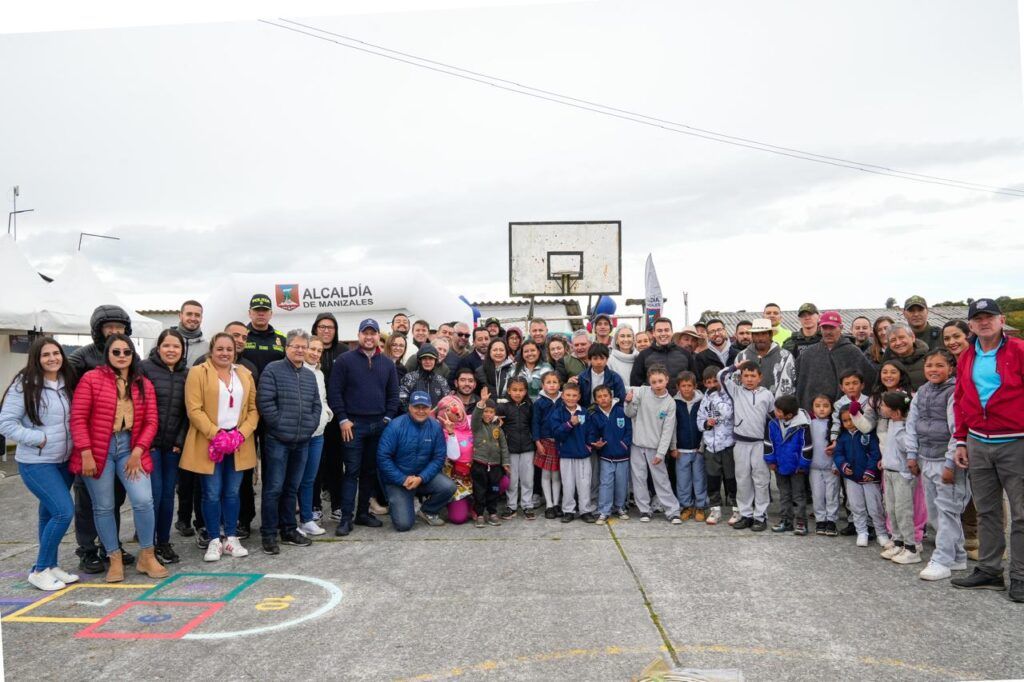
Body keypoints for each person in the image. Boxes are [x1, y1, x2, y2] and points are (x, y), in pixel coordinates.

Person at [69, 334, 167, 582]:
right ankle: (113, 558)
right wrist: (85, 452)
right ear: (108, 355)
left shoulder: (142, 383)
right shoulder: (91, 379)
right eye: (116, 352)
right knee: (103, 506)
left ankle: (147, 555)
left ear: (133, 355)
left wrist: (138, 451)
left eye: (127, 352)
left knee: (143, 500)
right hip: (98, 447)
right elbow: (78, 418)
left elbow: (151, 421)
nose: (122, 356)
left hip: (130, 446)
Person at [950, 298, 1024, 600]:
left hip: (1016, 441)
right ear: (971, 325)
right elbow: (961, 398)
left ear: (1001, 320)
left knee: (1021, 514)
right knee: (987, 511)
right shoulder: (967, 356)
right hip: (978, 442)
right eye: (978, 318)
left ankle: (1019, 575)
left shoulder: (1019, 350)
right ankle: (990, 570)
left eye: (989, 317)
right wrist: (961, 439)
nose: (984, 322)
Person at [0, 338, 80, 591]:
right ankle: (39, 569)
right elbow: (6, 423)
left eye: (56, 353)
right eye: (46, 355)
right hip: (36, 462)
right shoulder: (23, 385)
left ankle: (51, 565)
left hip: (63, 460)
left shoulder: (66, 382)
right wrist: (39, 438)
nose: (53, 358)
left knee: (48, 513)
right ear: (37, 358)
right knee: (63, 511)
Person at [181, 333, 259, 562]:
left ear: (235, 352)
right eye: (220, 349)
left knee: (233, 492)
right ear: (211, 351)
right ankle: (214, 539)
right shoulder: (198, 373)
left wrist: (241, 434)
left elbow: (254, 410)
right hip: (209, 443)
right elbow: (193, 409)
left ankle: (231, 538)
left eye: (229, 349)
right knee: (212, 492)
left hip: (238, 443)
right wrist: (217, 434)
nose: (225, 353)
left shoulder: (245, 374)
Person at [68, 305, 134, 573]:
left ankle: (111, 546)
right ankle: (87, 549)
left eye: (119, 328)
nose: (115, 332)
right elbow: (63, 383)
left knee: (114, 498)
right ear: (98, 330)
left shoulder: (128, 354)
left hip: (121, 441)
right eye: (110, 327)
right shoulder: (81, 357)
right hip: (91, 441)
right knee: (87, 499)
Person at [328, 318, 400, 536]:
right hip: (353, 425)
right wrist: (342, 419)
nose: (369, 337)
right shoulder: (344, 360)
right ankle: (346, 518)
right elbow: (335, 392)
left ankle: (362, 514)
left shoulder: (387, 363)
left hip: (378, 425)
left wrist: (387, 419)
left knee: (369, 471)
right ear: (359, 335)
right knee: (351, 471)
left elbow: (393, 395)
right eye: (365, 333)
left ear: (379, 336)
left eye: (373, 333)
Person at [257, 329, 322, 554]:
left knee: (291, 488)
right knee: (274, 488)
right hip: (278, 440)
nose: (300, 350)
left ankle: (288, 529)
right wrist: (279, 425)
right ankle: (268, 533)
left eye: (303, 347)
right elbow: (265, 402)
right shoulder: (273, 370)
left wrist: (309, 427)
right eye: (296, 346)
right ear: (287, 348)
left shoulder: (309, 375)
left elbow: (316, 405)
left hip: (302, 440)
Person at [907, 348, 969, 582]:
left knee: (948, 511)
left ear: (951, 368)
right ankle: (958, 555)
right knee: (935, 512)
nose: (934, 370)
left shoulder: (954, 392)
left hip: (947, 461)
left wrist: (950, 463)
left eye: (939, 365)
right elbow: (912, 423)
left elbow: (957, 430)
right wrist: (912, 455)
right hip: (926, 458)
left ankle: (943, 559)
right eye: (929, 365)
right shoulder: (921, 392)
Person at [139, 329, 189, 565]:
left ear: (182, 350)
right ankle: (148, 545)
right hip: (148, 445)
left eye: (176, 346)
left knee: (168, 496)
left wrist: (180, 440)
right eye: (167, 346)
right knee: (153, 495)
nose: (171, 350)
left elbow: (188, 413)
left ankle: (163, 542)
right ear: (158, 347)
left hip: (173, 447)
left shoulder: (186, 375)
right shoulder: (145, 369)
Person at [378, 391, 456, 531]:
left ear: (430, 408)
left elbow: (438, 458)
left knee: (449, 487)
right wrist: (402, 479)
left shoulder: (435, 427)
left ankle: (427, 510)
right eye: (416, 407)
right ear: (409, 407)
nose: (420, 411)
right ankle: (402, 501)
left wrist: (421, 478)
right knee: (404, 525)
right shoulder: (395, 426)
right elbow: (383, 458)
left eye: (424, 407)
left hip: (422, 477)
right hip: (399, 480)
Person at [718, 360, 775, 532]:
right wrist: (737, 366)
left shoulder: (767, 395)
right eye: (746, 376)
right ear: (741, 377)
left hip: (759, 444)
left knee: (761, 480)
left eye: (753, 376)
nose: (749, 379)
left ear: (760, 377)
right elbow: (721, 376)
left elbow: (773, 419)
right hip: (741, 443)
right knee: (742, 480)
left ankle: (760, 516)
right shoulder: (736, 391)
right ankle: (746, 514)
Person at [624, 367, 682, 524]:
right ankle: (644, 509)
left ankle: (672, 510)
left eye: (660, 381)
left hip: (655, 448)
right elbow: (630, 413)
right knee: (639, 479)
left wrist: (661, 453)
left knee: (661, 480)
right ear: (649, 381)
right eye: (654, 381)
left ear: (667, 380)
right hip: (637, 444)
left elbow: (668, 431)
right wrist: (628, 402)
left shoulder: (670, 403)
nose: (657, 384)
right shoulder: (642, 392)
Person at [795, 311, 877, 412]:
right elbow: (800, 385)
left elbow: (870, 381)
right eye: (825, 328)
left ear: (841, 328)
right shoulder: (808, 354)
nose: (828, 332)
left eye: (832, 327)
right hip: (813, 415)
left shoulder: (853, 352)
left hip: (846, 416)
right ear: (820, 328)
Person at [833, 406, 889, 549]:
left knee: (875, 507)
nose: (849, 424)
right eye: (845, 421)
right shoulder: (843, 437)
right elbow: (838, 454)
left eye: (851, 420)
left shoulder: (869, 434)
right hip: (852, 478)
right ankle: (861, 532)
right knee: (856, 506)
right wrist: (843, 466)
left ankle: (881, 533)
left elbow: (876, 453)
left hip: (869, 478)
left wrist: (871, 470)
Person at [878, 391, 921, 564]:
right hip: (889, 472)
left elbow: (908, 448)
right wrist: (885, 460)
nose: (881, 407)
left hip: (901, 474)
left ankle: (911, 547)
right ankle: (897, 541)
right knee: (892, 509)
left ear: (896, 412)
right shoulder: (892, 424)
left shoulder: (904, 429)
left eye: (884, 405)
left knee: (903, 511)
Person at [297, 337, 334, 537]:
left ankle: (306, 518)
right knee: (295, 479)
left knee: (310, 479)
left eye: (319, 351)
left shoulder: (319, 374)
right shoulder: (298, 371)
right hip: (301, 434)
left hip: (318, 434)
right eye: (312, 349)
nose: (315, 353)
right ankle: (290, 520)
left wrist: (327, 414)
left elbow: (323, 399)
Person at [765, 395, 812, 535]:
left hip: (797, 468)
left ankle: (801, 523)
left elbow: (807, 446)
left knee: (798, 496)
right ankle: (786, 521)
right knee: (784, 495)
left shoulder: (802, 425)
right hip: (780, 466)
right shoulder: (773, 422)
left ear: (789, 415)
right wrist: (771, 461)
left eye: (779, 411)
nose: (776, 413)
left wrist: (803, 464)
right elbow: (768, 443)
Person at [697, 366, 736, 526]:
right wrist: (706, 424)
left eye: (715, 381)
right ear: (705, 384)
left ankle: (737, 508)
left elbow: (727, 412)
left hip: (727, 445)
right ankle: (715, 509)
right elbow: (700, 419)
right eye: (709, 382)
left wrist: (716, 397)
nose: (713, 384)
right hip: (710, 446)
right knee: (712, 478)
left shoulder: (728, 396)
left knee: (731, 478)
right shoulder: (704, 399)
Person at [550, 383, 594, 523]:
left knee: (584, 483)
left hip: (582, 454)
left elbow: (590, 431)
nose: (571, 398)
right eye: (568, 395)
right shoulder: (558, 412)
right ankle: (568, 510)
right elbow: (556, 433)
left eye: (574, 395)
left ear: (579, 396)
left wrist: (589, 445)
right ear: (562, 396)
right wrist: (569, 424)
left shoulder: (584, 412)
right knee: (568, 483)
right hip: (566, 454)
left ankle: (585, 510)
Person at [589, 384, 632, 524]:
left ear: (611, 396)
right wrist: (596, 442)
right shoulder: (594, 415)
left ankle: (620, 507)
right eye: (599, 397)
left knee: (621, 483)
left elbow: (629, 430)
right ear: (595, 400)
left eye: (605, 395)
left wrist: (624, 444)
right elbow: (592, 433)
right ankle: (604, 510)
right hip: (606, 457)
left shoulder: (621, 410)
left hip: (622, 456)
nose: (603, 399)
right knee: (606, 484)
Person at [670, 371, 707, 522]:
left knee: (699, 479)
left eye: (689, 385)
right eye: (683, 386)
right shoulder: (674, 402)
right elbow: (671, 427)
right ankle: (686, 506)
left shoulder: (703, 401)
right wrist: (673, 447)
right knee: (683, 480)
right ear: (678, 387)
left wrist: (703, 445)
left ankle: (700, 506)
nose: (686, 389)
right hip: (681, 450)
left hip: (698, 449)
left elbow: (706, 426)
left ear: (695, 386)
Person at [470, 389, 510, 528]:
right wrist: (481, 403)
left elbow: (503, 446)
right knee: (479, 490)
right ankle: (480, 514)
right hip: (479, 464)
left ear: (495, 413)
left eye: (491, 412)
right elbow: (476, 416)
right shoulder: (477, 426)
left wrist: (505, 462)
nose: (488, 414)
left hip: (495, 466)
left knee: (494, 489)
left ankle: (492, 512)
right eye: (485, 411)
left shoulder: (498, 428)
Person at [435, 395, 475, 525]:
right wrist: (451, 433)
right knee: (458, 518)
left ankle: (474, 502)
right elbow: (453, 456)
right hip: (458, 479)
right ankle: (462, 502)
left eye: (455, 404)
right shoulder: (444, 431)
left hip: (476, 475)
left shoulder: (472, 421)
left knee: (503, 481)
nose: (453, 409)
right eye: (447, 409)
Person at [499, 377, 535, 520]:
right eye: (514, 390)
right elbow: (498, 425)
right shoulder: (504, 406)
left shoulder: (529, 406)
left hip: (527, 447)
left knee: (527, 479)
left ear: (526, 391)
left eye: (521, 390)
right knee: (512, 479)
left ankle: (527, 505)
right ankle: (511, 506)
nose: (518, 393)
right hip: (510, 448)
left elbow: (533, 425)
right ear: (509, 390)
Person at [630, 318, 694, 397]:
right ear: (653, 333)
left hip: (680, 403)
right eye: (659, 331)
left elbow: (695, 380)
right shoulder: (643, 355)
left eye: (666, 330)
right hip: (654, 403)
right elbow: (636, 384)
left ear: (672, 332)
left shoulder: (685, 354)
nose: (663, 333)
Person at [734, 318, 795, 397]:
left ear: (770, 335)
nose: (760, 338)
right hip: (748, 407)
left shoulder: (785, 357)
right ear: (752, 336)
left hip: (778, 407)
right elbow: (735, 384)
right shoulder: (741, 356)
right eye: (756, 334)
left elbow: (790, 386)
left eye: (763, 334)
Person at [533, 371, 563, 518]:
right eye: (548, 382)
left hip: (559, 441)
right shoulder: (539, 402)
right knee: (545, 474)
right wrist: (537, 442)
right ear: (543, 385)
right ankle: (549, 505)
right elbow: (535, 424)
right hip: (544, 441)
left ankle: (557, 504)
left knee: (556, 475)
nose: (552, 385)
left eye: (555, 382)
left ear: (560, 384)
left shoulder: (563, 400)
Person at [808, 394, 839, 536]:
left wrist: (837, 464)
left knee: (832, 494)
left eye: (825, 406)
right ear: (812, 408)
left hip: (831, 467)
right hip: (814, 467)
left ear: (832, 408)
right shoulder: (809, 424)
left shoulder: (834, 425)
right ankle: (820, 520)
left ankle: (831, 520)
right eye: (818, 406)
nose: (821, 409)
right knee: (817, 495)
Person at [242, 293, 286, 373]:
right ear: (249, 313)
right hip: (246, 384)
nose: (261, 313)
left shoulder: (282, 338)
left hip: (274, 385)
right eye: (257, 309)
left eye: (265, 310)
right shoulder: (240, 336)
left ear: (271, 314)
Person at [573, 343, 625, 409]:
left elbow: (620, 399)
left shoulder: (615, 377)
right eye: (595, 359)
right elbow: (578, 400)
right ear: (590, 360)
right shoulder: (582, 377)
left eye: (602, 358)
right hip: (588, 412)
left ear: (607, 359)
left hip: (608, 412)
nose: (599, 362)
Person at [399, 344, 450, 411]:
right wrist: (417, 414)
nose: (428, 362)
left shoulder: (441, 381)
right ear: (419, 361)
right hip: (412, 418)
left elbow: (447, 403)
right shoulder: (409, 378)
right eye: (424, 358)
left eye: (431, 359)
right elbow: (402, 400)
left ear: (435, 361)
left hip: (435, 420)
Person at [882, 324, 929, 390]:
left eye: (901, 338)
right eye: (893, 340)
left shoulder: (928, 359)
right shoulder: (886, 362)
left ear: (912, 337)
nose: (898, 343)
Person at [172, 300, 205, 366]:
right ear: (180, 316)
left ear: (201, 318)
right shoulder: (164, 341)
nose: (193, 318)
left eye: (197, 315)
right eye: (189, 314)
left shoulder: (207, 348)